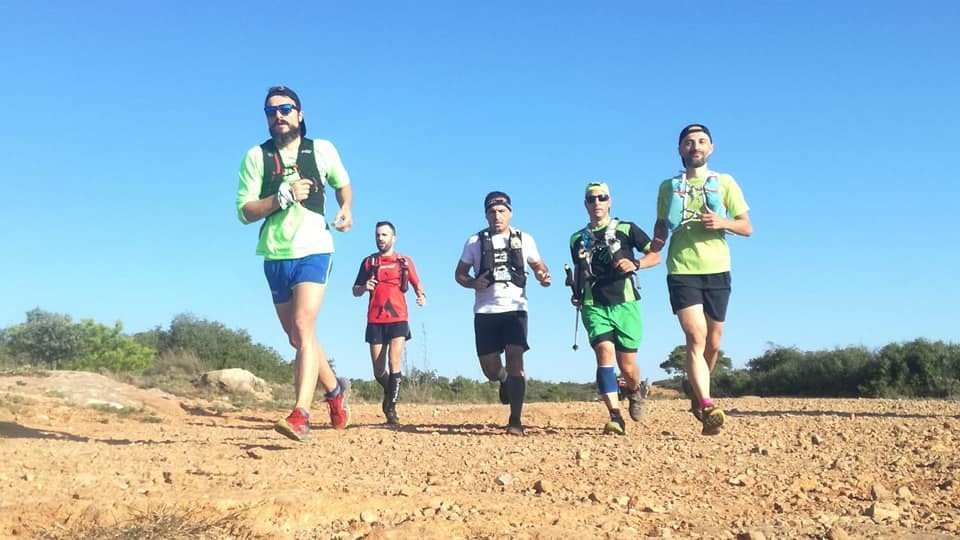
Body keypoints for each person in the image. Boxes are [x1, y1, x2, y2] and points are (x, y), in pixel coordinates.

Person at [235, 85, 354, 442]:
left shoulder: (321, 150)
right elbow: (245, 212)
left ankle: (301, 414)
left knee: (303, 324)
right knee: (297, 336)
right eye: (271, 111)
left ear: (299, 114)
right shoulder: (256, 157)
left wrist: (346, 208)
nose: (279, 115)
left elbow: (343, 185)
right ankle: (335, 391)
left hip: (315, 247)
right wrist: (281, 197)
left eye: (285, 109)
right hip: (275, 253)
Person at [650, 124, 752, 436]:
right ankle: (707, 405)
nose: (695, 146)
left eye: (701, 141)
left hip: (718, 267)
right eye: (689, 142)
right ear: (680, 149)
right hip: (682, 270)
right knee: (696, 336)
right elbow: (660, 228)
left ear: (711, 148)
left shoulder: (725, 182)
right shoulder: (668, 187)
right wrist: (643, 254)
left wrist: (722, 222)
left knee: (714, 342)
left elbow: (747, 227)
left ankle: (695, 390)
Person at [455, 191, 551, 436]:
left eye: (501, 211)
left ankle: (515, 420)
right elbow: (460, 274)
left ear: (510, 213)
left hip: (515, 309)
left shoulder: (524, 239)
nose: (497, 216)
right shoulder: (474, 242)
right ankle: (503, 379)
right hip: (485, 311)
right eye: (492, 212)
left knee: (516, 359)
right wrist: (472, 283)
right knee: (490, 369)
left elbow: (539, 266)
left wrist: (543, 276)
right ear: (486, 214)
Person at [569, 182, 661, 435]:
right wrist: (576, 294)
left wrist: (636, 264)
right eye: (591, 199)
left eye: (602, 197)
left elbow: (655, 255)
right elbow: (578, 270)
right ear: (585, 204)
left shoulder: (627, 229)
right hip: (593, 304)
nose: (596, 202)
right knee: (604, 354)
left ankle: (634, 391)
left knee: (628, 365)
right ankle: (614, 415)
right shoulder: (577, 238)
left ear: (610, 201)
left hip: (625, 303)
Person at [352, 221, 426, 425]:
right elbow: (355, 290)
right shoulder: (369, 262)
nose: (380, 238)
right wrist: (364, 287)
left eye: (384, 235)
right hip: (375, 319)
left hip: (398, 318)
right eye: (378, 235)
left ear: (393, 238)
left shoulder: (404, 261)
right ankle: (390, 389)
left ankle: (391, 408)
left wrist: (421, 295)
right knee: (378, 370)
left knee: (395, 361)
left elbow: (416, 282)